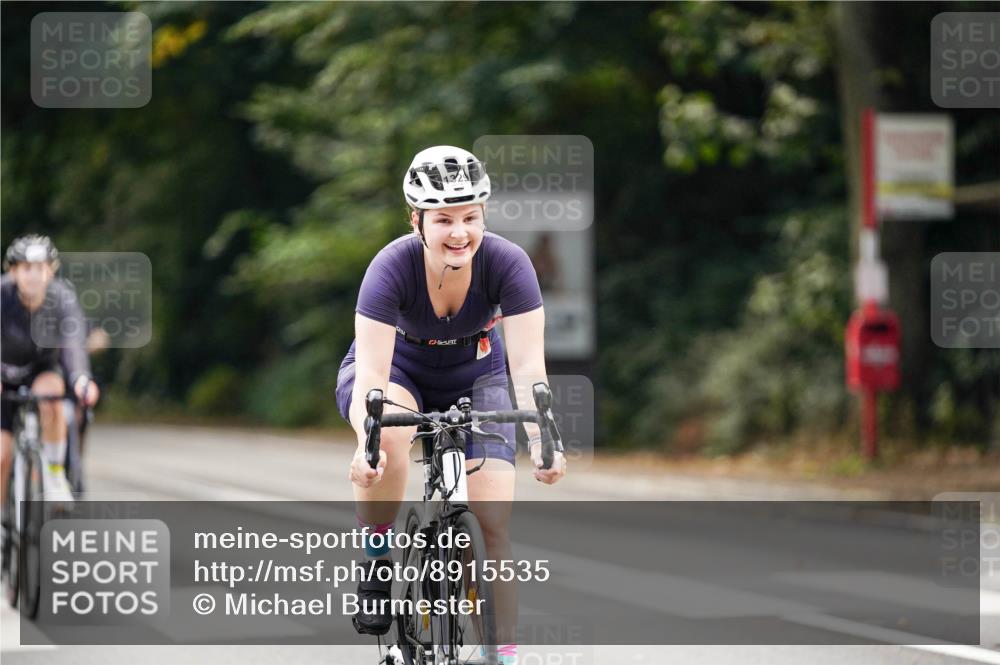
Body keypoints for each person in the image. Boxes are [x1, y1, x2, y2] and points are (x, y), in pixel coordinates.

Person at [337, 146, 567, 665]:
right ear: (417, 221)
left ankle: (501, 652)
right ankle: (377, 552)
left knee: (493, 523)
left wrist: (542, 439)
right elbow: (372, 376)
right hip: (397, 372)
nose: (459, 232)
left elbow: (529, 364)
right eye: (443, 219)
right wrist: (365, 445)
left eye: (470, 217)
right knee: (388, 438)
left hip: (476, 375)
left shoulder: (508, 263)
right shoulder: (390, 267)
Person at [1, 235, 100, 505]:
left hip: (41, 370)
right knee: (1, 455)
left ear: (51, 270)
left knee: (53, 397)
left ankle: (55, 475)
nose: (34, 275)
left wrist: (81, 379)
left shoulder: (63, 298)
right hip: (4, 376)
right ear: (13, 271)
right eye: (26, 268)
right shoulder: (2, 296)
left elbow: (73, 343)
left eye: (41, 267)